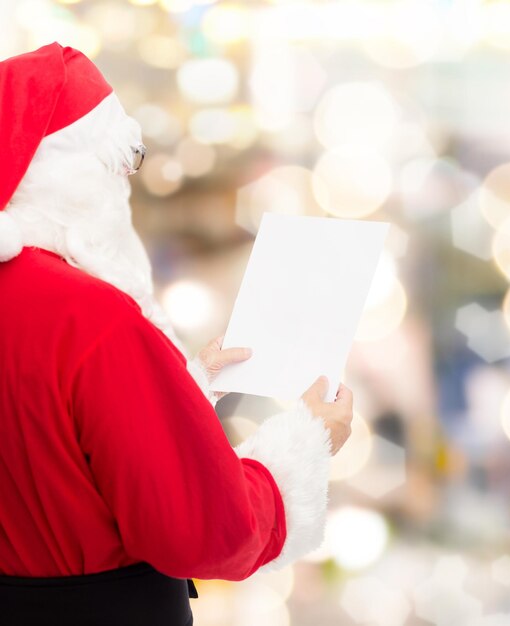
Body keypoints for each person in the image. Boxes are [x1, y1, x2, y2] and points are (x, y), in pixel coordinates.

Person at [0, 42, 354, 626]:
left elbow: (55, 438)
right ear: (69, 174)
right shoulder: (94, 319)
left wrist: (176, 387)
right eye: (117, 167)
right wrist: (307, 440)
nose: (124, 191)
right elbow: (201, 530)